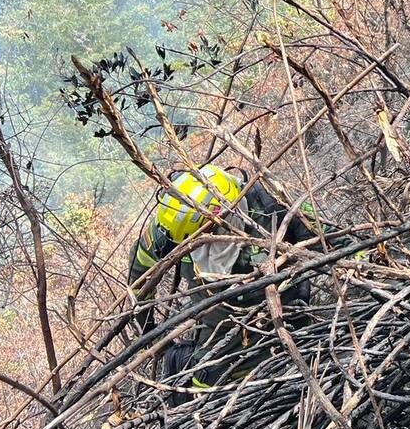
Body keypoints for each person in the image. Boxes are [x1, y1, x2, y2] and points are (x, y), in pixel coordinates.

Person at [127, 164, 317, 392]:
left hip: (284, 314)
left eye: (205, 238)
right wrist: (149, 336)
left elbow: (328, 240)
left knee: (285, 369)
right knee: (195, 387)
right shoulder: (168, 231)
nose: (199, 247)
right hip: (217, 327)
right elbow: (139, 282)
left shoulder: (270, 203)